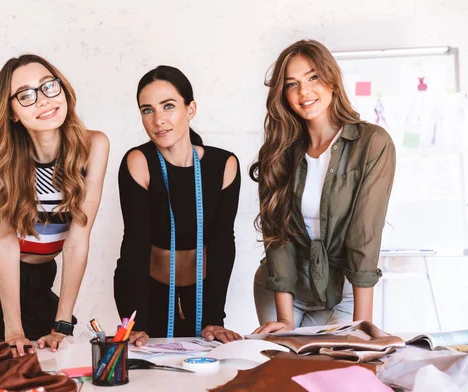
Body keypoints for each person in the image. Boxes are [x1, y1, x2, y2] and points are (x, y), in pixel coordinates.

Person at [0, 54, 109, 356]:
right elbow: (5, 243)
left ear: (62, 89)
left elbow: (78, 241)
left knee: (42, 361)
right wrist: (13, 329)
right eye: (25, 95)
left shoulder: (94, 146)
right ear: (11, 112)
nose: (42, 101)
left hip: (36, 276)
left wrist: (62, 323)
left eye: (49, 86)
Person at [250, 40, 396, 334]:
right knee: (283, 368)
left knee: (335, 370)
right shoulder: (277, 152)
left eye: (313, 77)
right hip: (283, 284)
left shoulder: (372, 143)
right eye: (292, 84)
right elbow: (277, 238)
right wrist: (286, 322)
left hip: (343, 287)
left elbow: (364, 235)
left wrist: (361, 326)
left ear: (332, 78)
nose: (304, 92)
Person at [115, 65, 242, 345]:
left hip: (203, 292)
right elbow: (135, 245)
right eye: (147, 110)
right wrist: (136, 320)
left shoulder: (224, 165)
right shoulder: (138, 162)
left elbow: (222, 244)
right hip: (147, 293)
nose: (158, 120)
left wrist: (214, 318)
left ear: (191, 109)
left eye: (168, 106)